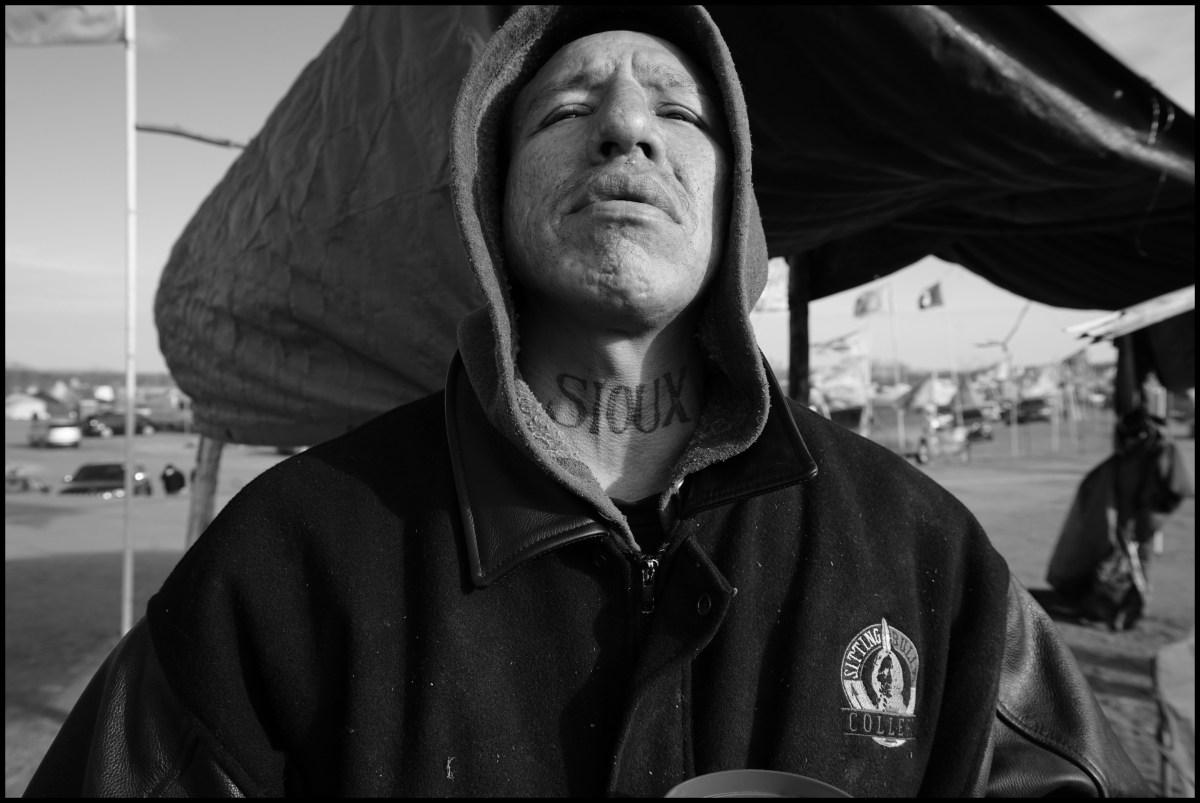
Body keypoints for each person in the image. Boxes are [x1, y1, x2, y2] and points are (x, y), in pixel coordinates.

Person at [25, 6, 1148, 797]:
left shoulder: (922, 554)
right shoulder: (288, 559)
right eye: (567, 111)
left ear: (733, 202)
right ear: (490, 192)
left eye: (681, 112)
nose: (627, 128)